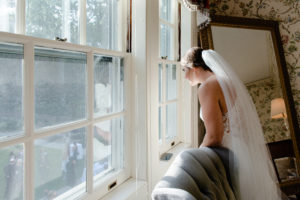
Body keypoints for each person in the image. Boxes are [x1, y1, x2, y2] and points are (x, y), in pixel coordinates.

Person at [181, 47, 282, 199]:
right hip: (245, 153)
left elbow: (214, 136)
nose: (184, 77)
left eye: (184, 70)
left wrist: (197, 158)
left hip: (229, 157)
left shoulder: (207, 87)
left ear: (194, 68)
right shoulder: (228, 81)